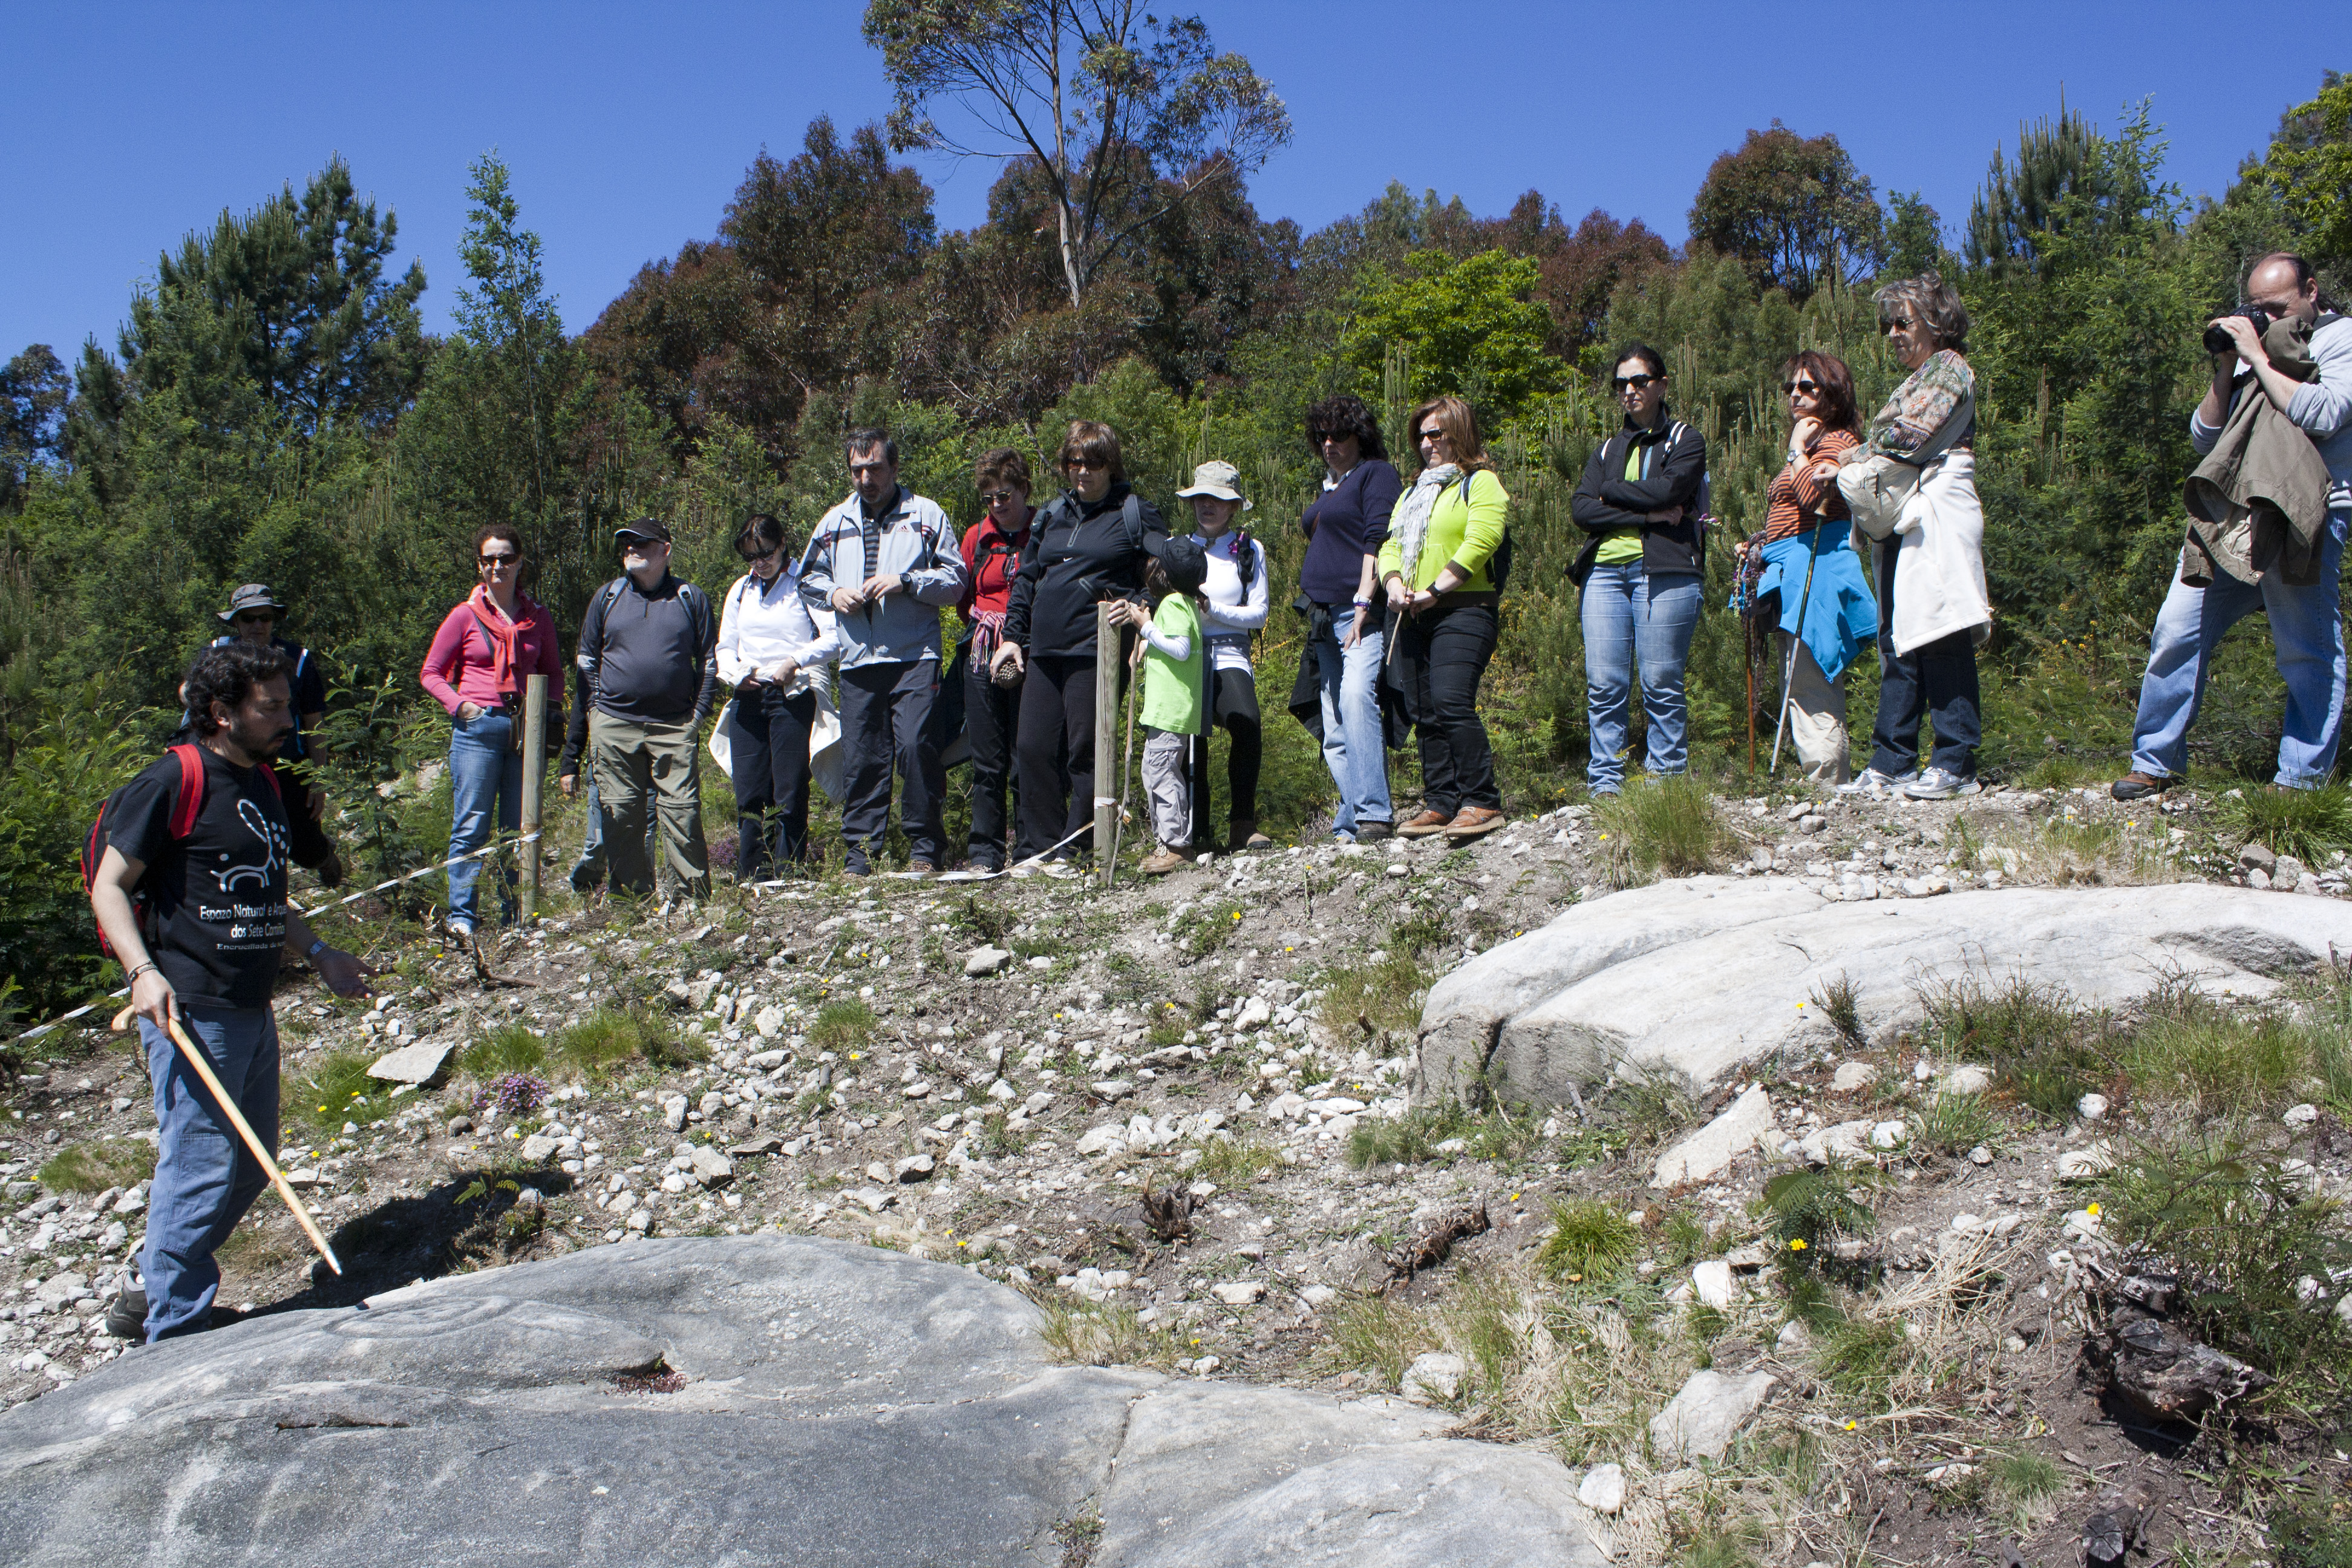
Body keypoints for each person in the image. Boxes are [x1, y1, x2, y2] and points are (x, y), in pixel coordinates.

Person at [89, 641, 371, 1342]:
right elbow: (109, 886)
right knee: (200, 1169)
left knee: (250, 1165)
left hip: (250, 1002)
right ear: (221, 712)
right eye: (269, 708)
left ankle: (152, 1278)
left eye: (286, 705)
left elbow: (264, 895)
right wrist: (142, 972)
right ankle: (175, 1335)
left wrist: (320, 953)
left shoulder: (264, 783)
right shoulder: (172, 781)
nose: (286, 721)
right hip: (190, 1007)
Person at [2115, 252, 2352, 800]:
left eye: (2278, 308)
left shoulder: (2340, 338)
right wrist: (2227, 367)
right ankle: (2154, 761)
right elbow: (2204, 437)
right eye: (2257, 307)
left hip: (2304, 513)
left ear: (2312, 291)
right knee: (2177, 630)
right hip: (2233, 514)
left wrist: (2258, 357)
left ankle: (2300, 782)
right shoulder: (2252, 351)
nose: (2266, 318)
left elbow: (2325, 415)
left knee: (2306, 648)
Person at [1840, 272, 1991, 800]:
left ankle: (1956, 762)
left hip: (1940, 504)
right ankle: (1893, 759)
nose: (1892, 334)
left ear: (1936, 322)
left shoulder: (1949, 369)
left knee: (1943, 630)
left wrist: (1854, 455)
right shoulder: (1923, 376)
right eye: (1889, 325)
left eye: (1902, 323)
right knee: (1899, 637)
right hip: (1915, 505)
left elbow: (1908, 436)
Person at [992, 421, 1168, 867]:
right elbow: (1027, 578)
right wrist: (1012, 638)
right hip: (1044, 649)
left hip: (1098, 648)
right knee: (1032, 747)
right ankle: (1038, 849)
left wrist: (1140, 608)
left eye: (1094, 462)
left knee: (1087, 751)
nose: (1083, 471)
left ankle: (1076, 851)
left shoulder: (1134, 512)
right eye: (1075, 462)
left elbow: (1159, 572)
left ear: (1111, 465)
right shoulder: (1052, 514)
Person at [797, 428, 966, 876]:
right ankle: (860, 858)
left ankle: (925, 852)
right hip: (858, 660)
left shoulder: (926, 514)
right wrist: (834, 594)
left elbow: (956, 581)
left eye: (874, 468)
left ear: (894, 466)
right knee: (863, 760)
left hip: (915, 657)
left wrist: (907, 582)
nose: (866, 479)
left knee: (916, 749)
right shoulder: (834, 523)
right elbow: (806, 579)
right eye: (857, 470)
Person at [1570, 344, 1710, 795]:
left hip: (1666, 570)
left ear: (1662, 385)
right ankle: (1605, 784)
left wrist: (1612, 492)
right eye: (1621, 384)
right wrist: (1647, 513)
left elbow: (1671, 490)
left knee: (1661, 681)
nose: (1629, 391)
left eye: (1639, 381)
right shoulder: (1607, 449)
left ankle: (1665, 783)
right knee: (1604, 684)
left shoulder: (1686, 440)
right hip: (1604, 575)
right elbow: (1582, 510)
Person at [1735, 352, 1878, 784]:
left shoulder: (1837, 443)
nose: (1794, 395)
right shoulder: (1819, 444)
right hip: (1794, 568)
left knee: (1810, 674)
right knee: (1797, 677)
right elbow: (1792, 512)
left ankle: (1827, 786)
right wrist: (1761, 544)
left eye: (1806, 387)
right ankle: (1822, 780)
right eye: (1790, 388)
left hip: (1817, 566)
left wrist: (1796, 448)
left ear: (1832, 394)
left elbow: (1815, 499)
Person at [418, 525, 563, 940]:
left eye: (506, 558)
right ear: (480, 564)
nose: (498, 566)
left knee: (520, 826)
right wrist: (461, 706)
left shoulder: (538, 617)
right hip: (477, 730)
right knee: (471, 825)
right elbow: (431, 673)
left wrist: (550, 713)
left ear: (520, 562)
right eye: (489, 559)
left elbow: (553, 672)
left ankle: (515, 912)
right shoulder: (464, 616)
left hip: (525, 730)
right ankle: (462, 915)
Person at [1380, 396, 1511, 840]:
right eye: (1420, 436)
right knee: (1424, 710)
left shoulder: (1481, 483)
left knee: (1452, 701)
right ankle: (1441, 803)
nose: (1426, 443)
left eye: (1435, 433)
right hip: (1415, 613)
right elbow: (1391, 545)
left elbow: (1482, 541)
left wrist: (1435, 589)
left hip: (1465, 609)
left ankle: (1482, 800)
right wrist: (1394, 584)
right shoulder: (1412, 494)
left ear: (1459, 433)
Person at [579, 518, 721, 899]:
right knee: (622, 815)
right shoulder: (607, 597)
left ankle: (690, 899)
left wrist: (697, 716)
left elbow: (709, 661)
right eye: (627, 543)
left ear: (665, 550)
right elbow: (587, 660)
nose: (631, 549)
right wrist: (595, 711)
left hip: (675, 725)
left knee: (682, 812)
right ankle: (631, 901)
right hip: (614, 724)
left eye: (641, 543)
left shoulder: (690, 598)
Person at [1298, 395, 1403, 843]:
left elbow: (1377, 539)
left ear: (1360, 435)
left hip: (1359, 612)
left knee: (1358, 698)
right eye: (1322, 436)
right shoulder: (1332, 486)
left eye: (1339, 435)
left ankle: (1375, 812)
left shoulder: (1375, 473)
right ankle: (1353, 818)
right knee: (1335, 721)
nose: (1329, 444)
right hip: (1324, 617)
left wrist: (1363, 602)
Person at [717, 513, 841, 880]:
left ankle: (789, 874)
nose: (759, 563)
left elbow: (834, 638)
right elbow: (725, 646)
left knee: (789, 788)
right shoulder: (741, 589)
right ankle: (752, 875)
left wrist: (795, 661)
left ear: (783, 544)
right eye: (751, 556)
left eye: (766, 553)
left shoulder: (805, 583)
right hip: (748, 694)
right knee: (750, 790)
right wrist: (735, 674)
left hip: (793, 693)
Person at [201, 585, 342, 887]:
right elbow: (195, 700)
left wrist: (318, 778)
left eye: (265, 618)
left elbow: (314, 721)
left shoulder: (298, 659)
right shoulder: (217, 653)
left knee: (304, 848)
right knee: (242, 841)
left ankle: (324, 857)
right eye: (248, 618)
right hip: (232, 767)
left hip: (288, 767)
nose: (257, 625)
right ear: (235, 622)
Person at [1178, 460, 1272, 852]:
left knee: (1246, 722)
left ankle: (1242, 824)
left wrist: (1212, 610)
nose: (1207, 505)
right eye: (1201, 497)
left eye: (1217, 499)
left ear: (1233, 506)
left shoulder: (1249, 550)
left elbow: (1260, 614)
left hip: (1230, 652)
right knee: (1189, 740)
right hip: (1184, 656)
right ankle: (1194, 832)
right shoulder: (1177, 548)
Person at [1114, 535, 1212, 875]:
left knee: (1163, 774)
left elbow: (1181, 649)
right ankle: (1166, 843)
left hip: (1171, 711)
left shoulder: (1173, 604)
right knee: (1154, 772)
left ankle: (1176, 846)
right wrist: (1148, 644)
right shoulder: (1185, 604)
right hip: (1168, 711)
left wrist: (1146, 628)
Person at [958, 448, 1037, 870]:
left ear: (1024, 489)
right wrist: (989, 629)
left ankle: (1030, 849)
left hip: (1031, 649)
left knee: (1028, 752)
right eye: (989, 497)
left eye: (1005, 495)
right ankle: (985, 853)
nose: (997, 504)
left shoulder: (1043, 529)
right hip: (982, 650)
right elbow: (965, 596)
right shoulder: (976, 538)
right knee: (987, 758)